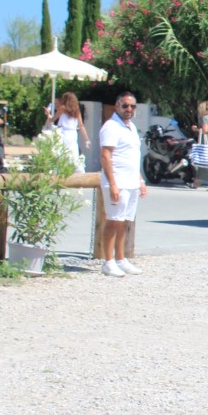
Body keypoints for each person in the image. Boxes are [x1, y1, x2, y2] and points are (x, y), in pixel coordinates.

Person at [98, 91, 147, 277]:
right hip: (118, 180)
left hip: (131, 182)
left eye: (132, 106)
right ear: (117, 106)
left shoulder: (131, 127)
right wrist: (112, 184)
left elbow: (134, 157)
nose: (129, 109)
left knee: (125, 221)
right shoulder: (111, 127)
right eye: (125, 105)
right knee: (114, 221)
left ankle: (121, 258)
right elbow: (105, 155)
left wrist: (141, 180)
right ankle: (108, 261)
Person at [44, 91, 89, 173]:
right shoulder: (77, 110)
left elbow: (52, 119)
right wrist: (86, 139)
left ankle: (59, 172)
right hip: (73, 134)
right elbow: (81, 125)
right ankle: (78, 172)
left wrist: (48, 114)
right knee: (74, 153)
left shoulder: (62, 108)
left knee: (61, 153)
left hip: (63, 133)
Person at [189, 100, 208, 189]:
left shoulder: (205, 118)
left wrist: (196, 129)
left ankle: (201, 183)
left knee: (202, 162)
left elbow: (205, 130)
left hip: (207, 143)